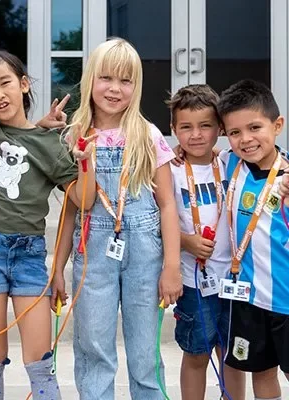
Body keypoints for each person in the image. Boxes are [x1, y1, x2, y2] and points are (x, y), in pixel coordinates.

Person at [0, 49, 96, 400]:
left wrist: (85, 162)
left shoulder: (51, 144)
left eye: (5, 83)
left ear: (24, 84)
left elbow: (85, 200)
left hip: (30, 255)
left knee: (39, 359)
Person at [51, 37, 182, 400]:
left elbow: (168, 204)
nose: (115, 88)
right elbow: (70, 211)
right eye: (106, 78)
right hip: (93, 257)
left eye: (126, 81)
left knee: (145, 354)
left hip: (144, 254)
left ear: (135, 87)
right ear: (90, 79)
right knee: (94, 349)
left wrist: (172, 267)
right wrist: (57, 268)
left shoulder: (147, 134)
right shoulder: (73, 137)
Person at [166, 84, 245, 400]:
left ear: (220, 128)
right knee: (197, 353)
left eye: (205, 126)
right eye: (185, 127)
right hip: (194, 283)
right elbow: (159, 221)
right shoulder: (168, 171)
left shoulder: (231, 162)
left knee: (233, 354)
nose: (195, 135)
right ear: (173, 129)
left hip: (235, 280)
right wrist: (185, 241)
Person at [217, 79, 289, 400]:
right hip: (247, 298)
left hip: (286, 301)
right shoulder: (230, 163)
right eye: (235, 132)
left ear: (277, 125)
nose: (245, 140)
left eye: (255, 127)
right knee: (261, 371)